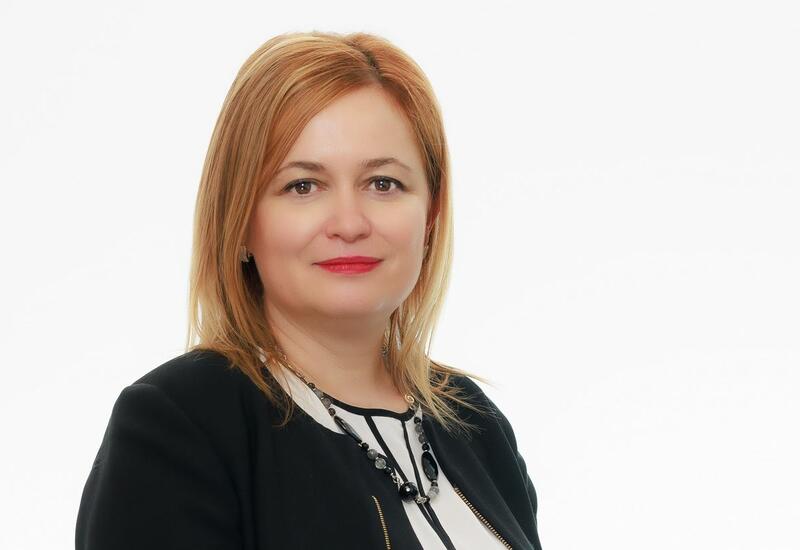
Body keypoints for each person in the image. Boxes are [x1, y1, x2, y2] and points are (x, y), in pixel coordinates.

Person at [75, 30, 543, 550]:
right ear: (240, 219)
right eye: (303, 186)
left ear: (430, 214)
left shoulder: (476, 425)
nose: (349, 223)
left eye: (383, 183)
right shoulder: (179, 424)